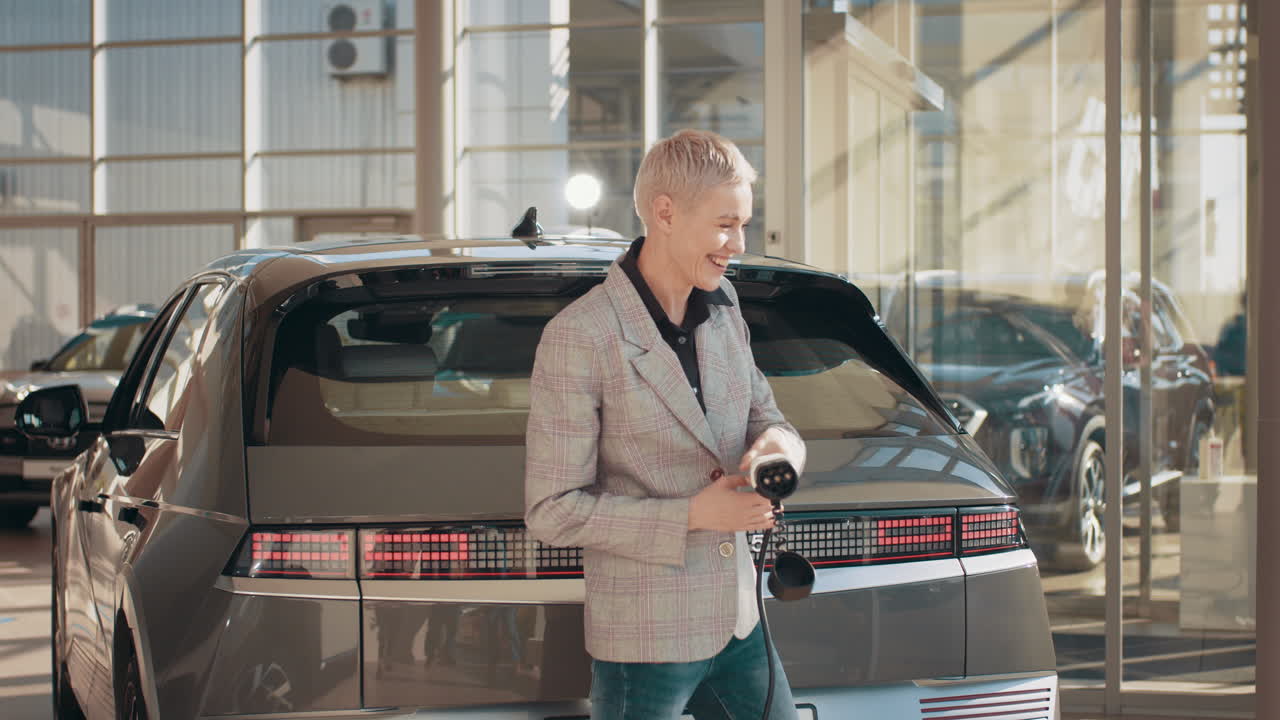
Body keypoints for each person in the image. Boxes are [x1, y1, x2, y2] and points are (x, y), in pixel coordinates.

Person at [525, 129, 807, 720]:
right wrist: (694, 516)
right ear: (665, 213)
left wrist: (774, 453)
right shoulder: (582, 336)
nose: (738, 242)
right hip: (645, 641)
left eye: (745, 224)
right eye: (726, 223)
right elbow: (553, 510)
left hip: (741, 623)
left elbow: (771, 420)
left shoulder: (725, 308)